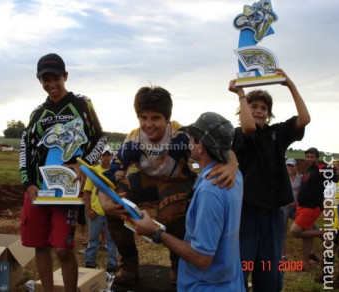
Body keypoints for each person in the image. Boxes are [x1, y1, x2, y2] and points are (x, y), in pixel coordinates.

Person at [99, 86, 238, 286]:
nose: (148, 124)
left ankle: (178, 263)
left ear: (167, 119)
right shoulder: (133, 140)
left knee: (169, 216)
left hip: (178, 180)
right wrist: (104, 202)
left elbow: (217, 146)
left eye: (155, 118)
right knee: (114, 206)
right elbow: (110, 176)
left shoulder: (180, 136)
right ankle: (129, 263)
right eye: (143, 118)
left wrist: (231, 163)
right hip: (146, 181)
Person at [19, 53, 106, 292]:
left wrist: (83, 164)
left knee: (63, 249)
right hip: (39, 190)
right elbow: (25, 149)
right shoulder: (36, 114)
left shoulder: (81, 103)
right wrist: (27, 184)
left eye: (55, 78)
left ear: (65, 76)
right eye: (45, 80)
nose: (51, 85)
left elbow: (101, 139)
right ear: (40, 82)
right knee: (40, 246)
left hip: (67, 191)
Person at [131, 112, 245, 291]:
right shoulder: (234, 175)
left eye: (192, 138)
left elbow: (202, 258)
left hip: (205, 286)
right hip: (228, 281)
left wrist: (156, 232)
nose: (188, 142)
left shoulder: (210, 189)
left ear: (200, 146)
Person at [229, 68, 311, 292]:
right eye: (253, 106)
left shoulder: (277, 133)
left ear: (269, 114)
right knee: (242, 264)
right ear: (244, 108)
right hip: (246, 211)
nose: (258, 111)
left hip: (273, 213)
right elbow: (248, 127)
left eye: (263, 108)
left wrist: (290, 85)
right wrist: (240, 94)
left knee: (269, 268)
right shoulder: (237, 134)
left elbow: (305, 118)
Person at [290, 147, 336, 271]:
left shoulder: (321, 168)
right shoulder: (308, 170)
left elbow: (335, 177)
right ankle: (305, 264)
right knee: (306, 236)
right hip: (301, 206)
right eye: (308, 156)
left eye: (312, 157)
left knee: (294, 232)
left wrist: (335, 170)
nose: (309, 159)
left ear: (317, 158)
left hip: (312, 207)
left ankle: (324, 233)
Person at [84, 145, 118, 273]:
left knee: (112, 241)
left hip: (111, 212)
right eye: (104, 155)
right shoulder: (93, 172)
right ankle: (89, 263)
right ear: (100, 157)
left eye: (108, 155)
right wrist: (89, 209)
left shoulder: (115, 172)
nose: (106, 157)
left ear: (111, 156)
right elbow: (87, 191)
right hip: (96, 212)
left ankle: (113, 265)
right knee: (93, 240)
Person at [281, 157, 320, 262]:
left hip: (297, 208)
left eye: (292, 166)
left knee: (311, 226)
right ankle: (283, 255)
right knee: (282, 230)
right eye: (288, 166)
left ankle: (310, 252)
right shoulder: (282, 178)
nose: (290, 167)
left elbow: (305, 190)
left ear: (295, 166)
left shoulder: (301, 178)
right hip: (285, 207)